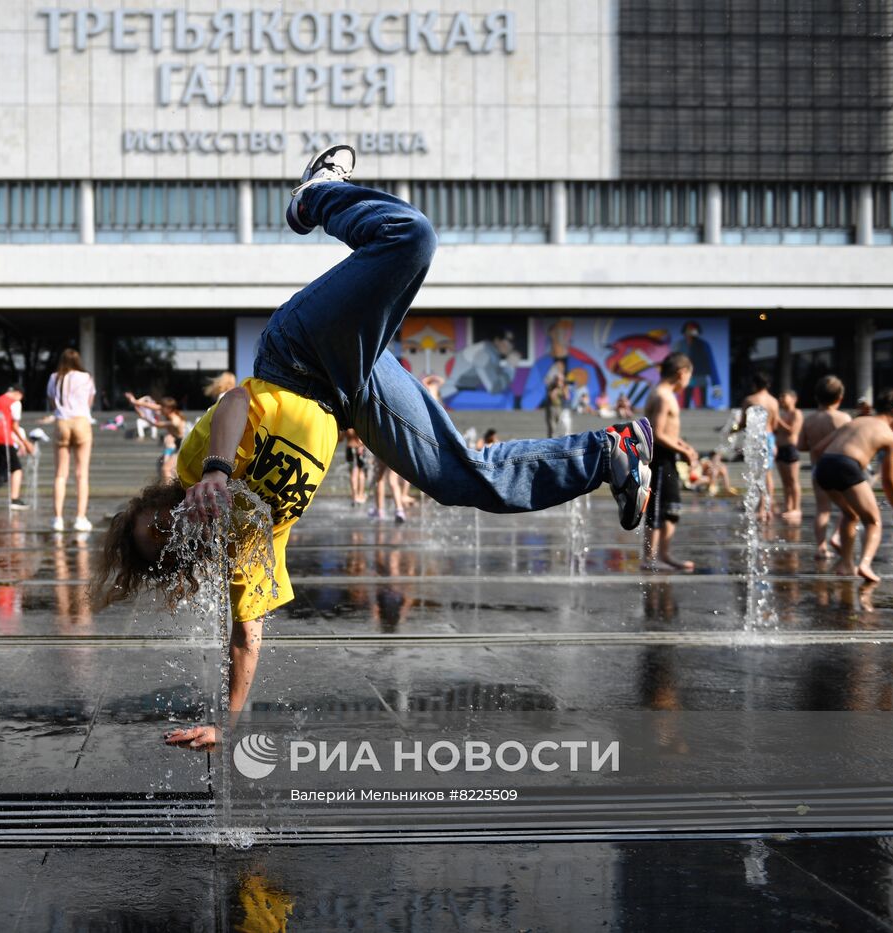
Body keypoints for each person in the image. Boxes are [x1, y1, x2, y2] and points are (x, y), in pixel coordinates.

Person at [88, 146, 655, 749]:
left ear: (164, 497)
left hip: (298, 355)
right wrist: (226, 726)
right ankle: (608, 452)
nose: (181, 521)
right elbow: (245, 635)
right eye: (173, 537)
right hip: (349, 395)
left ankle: (316, 197)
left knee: (410, 238)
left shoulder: (195, 467)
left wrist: (219, 472)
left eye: (165, 514)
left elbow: (234, 404)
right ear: (186, 555)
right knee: (458, 479)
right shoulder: (247, 548)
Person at [810, 388, 893, 584]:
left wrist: (818, 474)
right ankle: (865, 564)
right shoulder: (890, 437)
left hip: (824, 466)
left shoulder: (855, 421)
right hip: (847, 466)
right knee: (873, 521)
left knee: (850, 515)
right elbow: (888, 480)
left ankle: (846, 564)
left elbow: (817, 448)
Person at [642, 353, 701, 572]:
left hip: (668, 457)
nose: (688, 381)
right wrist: (681, 450)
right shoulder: (663, 396)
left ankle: (664, 555)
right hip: (659, 458)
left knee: (672, 507)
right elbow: (656, 433)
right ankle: (649, 558)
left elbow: (668, 432)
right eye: (689, 376)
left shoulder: (665, 394)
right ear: (681, 373)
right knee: (657, 509)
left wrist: (685, 447)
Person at [798, 375, 852, 561]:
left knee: (823, 509)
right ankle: (837, 536)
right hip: (839, 469)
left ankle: (821, 547)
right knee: (848, 508)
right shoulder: (843, 418)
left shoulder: (810, 420)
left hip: (818, 469)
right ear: (840, 398)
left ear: (816, 397)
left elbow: (801, 445)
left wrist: (816, 443)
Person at [47, 348, 97, 532]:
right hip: (81, 421)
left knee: (60, 474)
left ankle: (57, 519)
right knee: (81, 474)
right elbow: (89, 403)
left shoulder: (54, 377)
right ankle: (80, 518)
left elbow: (52, 403)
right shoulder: (86, 377)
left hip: (62, 422)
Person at [0, 386, 34, 511]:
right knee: (17, 469)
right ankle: (14, 499)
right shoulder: (15, 403)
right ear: (18, 393)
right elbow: (14, 426)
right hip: (4, 440)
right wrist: (25, 443)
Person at [738, 371, 780, 522]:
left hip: (754, 438)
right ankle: (766, 509)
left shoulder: (749, 400)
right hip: (768, 438)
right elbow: (775, 424)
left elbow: (743, 423)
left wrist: (732, 429)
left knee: (755, 474)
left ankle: (758, 509)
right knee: (768, 475)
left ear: (754, 384)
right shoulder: (774, 402)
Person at [774, 389, 804, 523]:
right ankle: (788, 506)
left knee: (793, 481)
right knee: (785, 482)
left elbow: (793, 430)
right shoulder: (782, 414)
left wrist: (778, 420)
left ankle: (797, 508)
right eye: (780, 397)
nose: (781, 400)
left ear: (793, 399)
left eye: (784, 397)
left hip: (791, 449)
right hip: (780, 449)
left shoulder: (796, 413)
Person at [344, 429, 368, 506]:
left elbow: (340, 438)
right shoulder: (357, 422)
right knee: (361, 472)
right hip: (360, 448)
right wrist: (362, 445)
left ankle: (354, 496)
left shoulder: (347, 424)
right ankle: (360, 496)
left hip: (350, 448)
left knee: (352, 473)